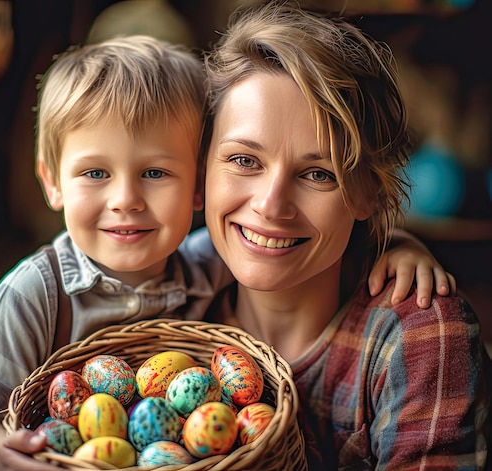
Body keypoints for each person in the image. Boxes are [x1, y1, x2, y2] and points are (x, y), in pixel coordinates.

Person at [0, 34, 456, 470]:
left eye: (156, 173)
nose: (126, 200)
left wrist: (398, 243)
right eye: (95, 173)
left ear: (197, 186)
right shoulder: (40, 293)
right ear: (52, 183)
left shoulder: (201, 266)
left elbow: (276, 246)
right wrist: (2, 457)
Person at [196, 2, 491, 469]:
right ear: (201, 169)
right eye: (244, 160)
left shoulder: (419, 337)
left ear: (368, 193)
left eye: (318, 174)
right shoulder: (169, 298)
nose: (271, 204)